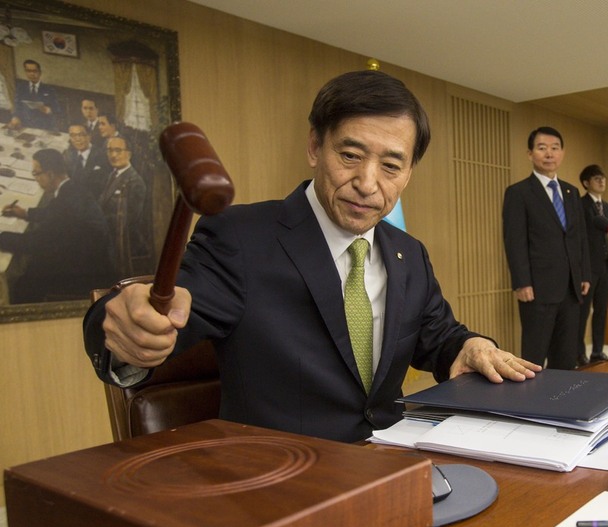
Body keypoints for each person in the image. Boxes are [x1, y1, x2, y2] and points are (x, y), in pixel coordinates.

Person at [83, 70, 538, 444]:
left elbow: (438, 336)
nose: (367, 181)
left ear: (408, 173)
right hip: (283, 481)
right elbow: (166, 308)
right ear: (315, 148)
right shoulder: (242, 238)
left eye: (391, 166)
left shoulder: (408, 253)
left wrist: (471, 346)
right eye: (350, 154)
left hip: (391, 467)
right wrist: (123, 325)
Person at [502, 126, 590, 369]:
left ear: (562, 153)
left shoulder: (572, 192)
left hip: (571, 288)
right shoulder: (518, 193)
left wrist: (583, 275)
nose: (549, 154)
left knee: (566, 354)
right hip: (537, 288)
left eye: (555, 148)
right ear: (530, 154)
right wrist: (521, 281)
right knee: (534, 354)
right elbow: (514, 240)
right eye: (542, 148)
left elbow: (579, 238)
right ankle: (531, 403)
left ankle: (562, 402)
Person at [0, 149, 113, 303]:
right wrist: (25, 213)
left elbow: (34, 242)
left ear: (51, 174)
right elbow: (53, 214)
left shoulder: (64, 203)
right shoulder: (71, 187)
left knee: (22, 284)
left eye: (37, 173)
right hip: (88, 256)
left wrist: (2, 238)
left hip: (83, 272)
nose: (36, 179)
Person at [99, 135, 150, 276]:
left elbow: (131, 219)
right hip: (111, 242)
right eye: (110, 150)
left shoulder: (135, 182)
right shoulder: (112, 175)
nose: (113, 155)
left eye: (118, 150)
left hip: (125, 247)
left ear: (129, 153)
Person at [576, 164, 608, 365]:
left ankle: (598, 350)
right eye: (596, 178)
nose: (601, 181)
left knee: (601, 310)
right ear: (586, 183)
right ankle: (579, 352)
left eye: (603, 178)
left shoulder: (607, 206)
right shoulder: (580, 205)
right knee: (582, 313)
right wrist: (582, 271)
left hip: (605, 266)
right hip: (587, 268)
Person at [7, 59, 60, 131]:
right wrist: (15, 117)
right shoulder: (21, 88)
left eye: (35, 71)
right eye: (28, 71)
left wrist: (49, 110)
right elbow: (17, 106)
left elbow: (57, 109)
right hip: (24, 125)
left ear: (40, 72)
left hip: (44, 126)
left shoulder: (49, 89)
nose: (32, 74)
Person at [63, 123, 109, 198]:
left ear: (89, 136)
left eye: (81, 135)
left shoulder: (102, 156)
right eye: (73, 135)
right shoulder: (68, 154)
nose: (77, 139)